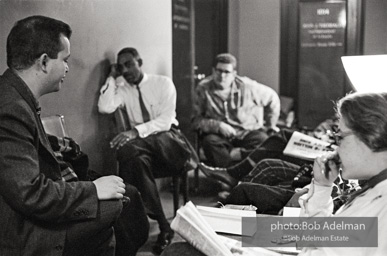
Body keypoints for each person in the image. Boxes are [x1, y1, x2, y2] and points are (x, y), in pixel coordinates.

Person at [0, 15, 144, 256]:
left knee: (124, 199)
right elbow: (29, 193)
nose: (67, 68)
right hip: (20, 232)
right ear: (44, 62)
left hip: (24, 214)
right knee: (118, 205)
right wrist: (93, 190)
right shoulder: (10, 108)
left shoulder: (15, 95)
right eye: (65, 60)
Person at [98, 47, 196, 254]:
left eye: (129, 64)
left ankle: (132, 221)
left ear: (139, 62)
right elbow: (105, 107)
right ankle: (164, 226)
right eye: (121, 67)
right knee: (134, 160)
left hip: (171, 145)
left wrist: (134, 132)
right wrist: (111, 77)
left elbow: (165, 120)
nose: (126, 70)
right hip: (144, 153)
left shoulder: (162, 83)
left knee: (128, 150)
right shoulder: (122, 89)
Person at [192, 53, 281, 167]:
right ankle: (228, 176)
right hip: (220, 136)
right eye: (218, 71)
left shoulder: (248, 87)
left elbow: (272, 98)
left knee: (264, 142)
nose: (222, 76)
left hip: (248, 132)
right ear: (213, 70)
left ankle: (241, 172)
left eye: (226, 72)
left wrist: (270, 125)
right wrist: (217, 126)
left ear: (234, 74)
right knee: (209, 142)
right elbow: (195, 120)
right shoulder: (203, 88)